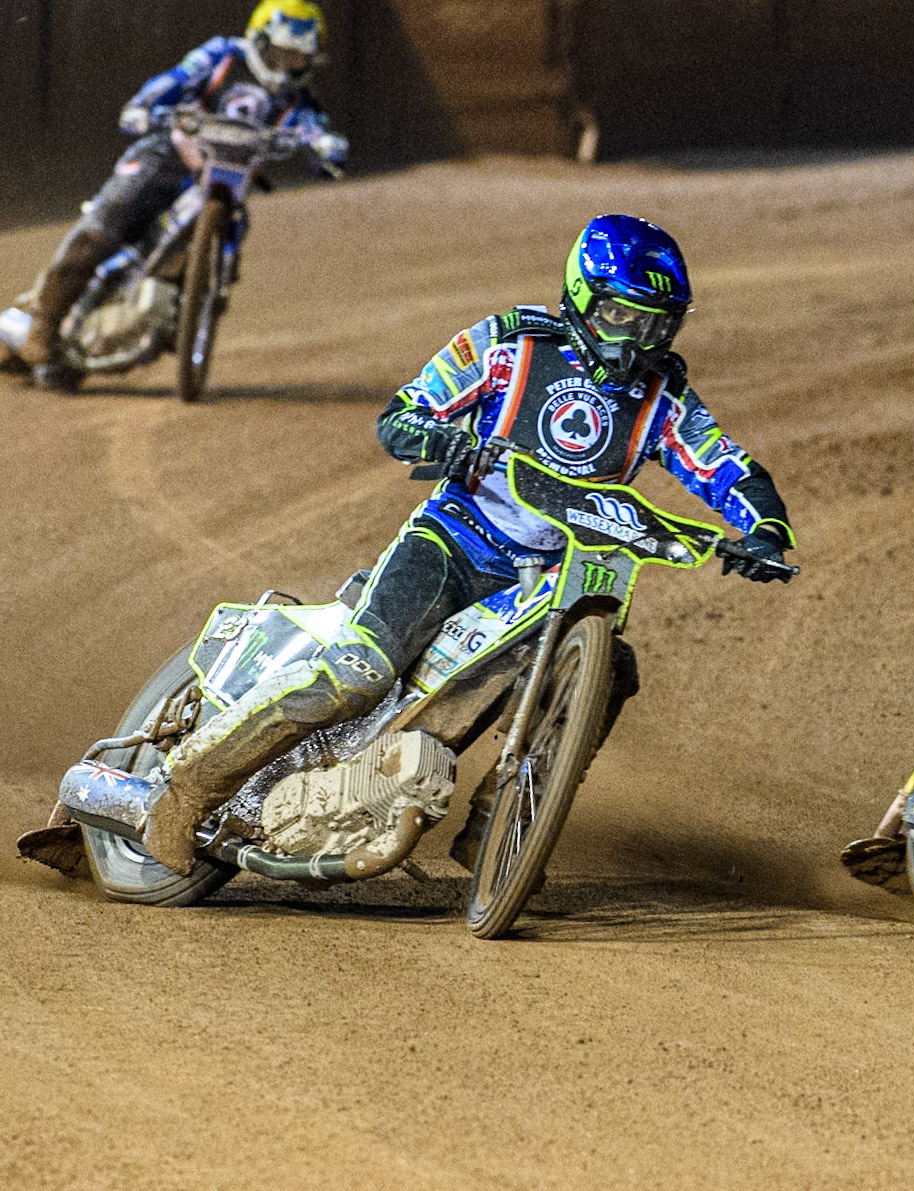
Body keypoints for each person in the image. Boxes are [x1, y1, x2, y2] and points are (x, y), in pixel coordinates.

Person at [139, 213, 796, 875]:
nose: (638, 338)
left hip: (548, 577)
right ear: (582, 295)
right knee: (359, 673)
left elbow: (726, 467)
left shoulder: (664, 397)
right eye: (623, 316)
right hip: (452, 543)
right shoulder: (509, 343)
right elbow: (403, 415)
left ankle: (495, 827)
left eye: (657, 324)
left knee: (611, 670)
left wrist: (765, 529)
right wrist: (441, 437)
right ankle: (188, 789)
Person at [14, 1, 347, 386]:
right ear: (259, 39)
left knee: (232, 243)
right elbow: (174, 79)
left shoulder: (297, 100)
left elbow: (315, 129)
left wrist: (328, 148)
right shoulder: (222, 54)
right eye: (281, 52)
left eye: (297, 57)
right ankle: (45, 324)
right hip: (169, 155)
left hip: (227, 184)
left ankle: (187, 316)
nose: (287, 64)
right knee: (106, 223)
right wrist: (145, 105)